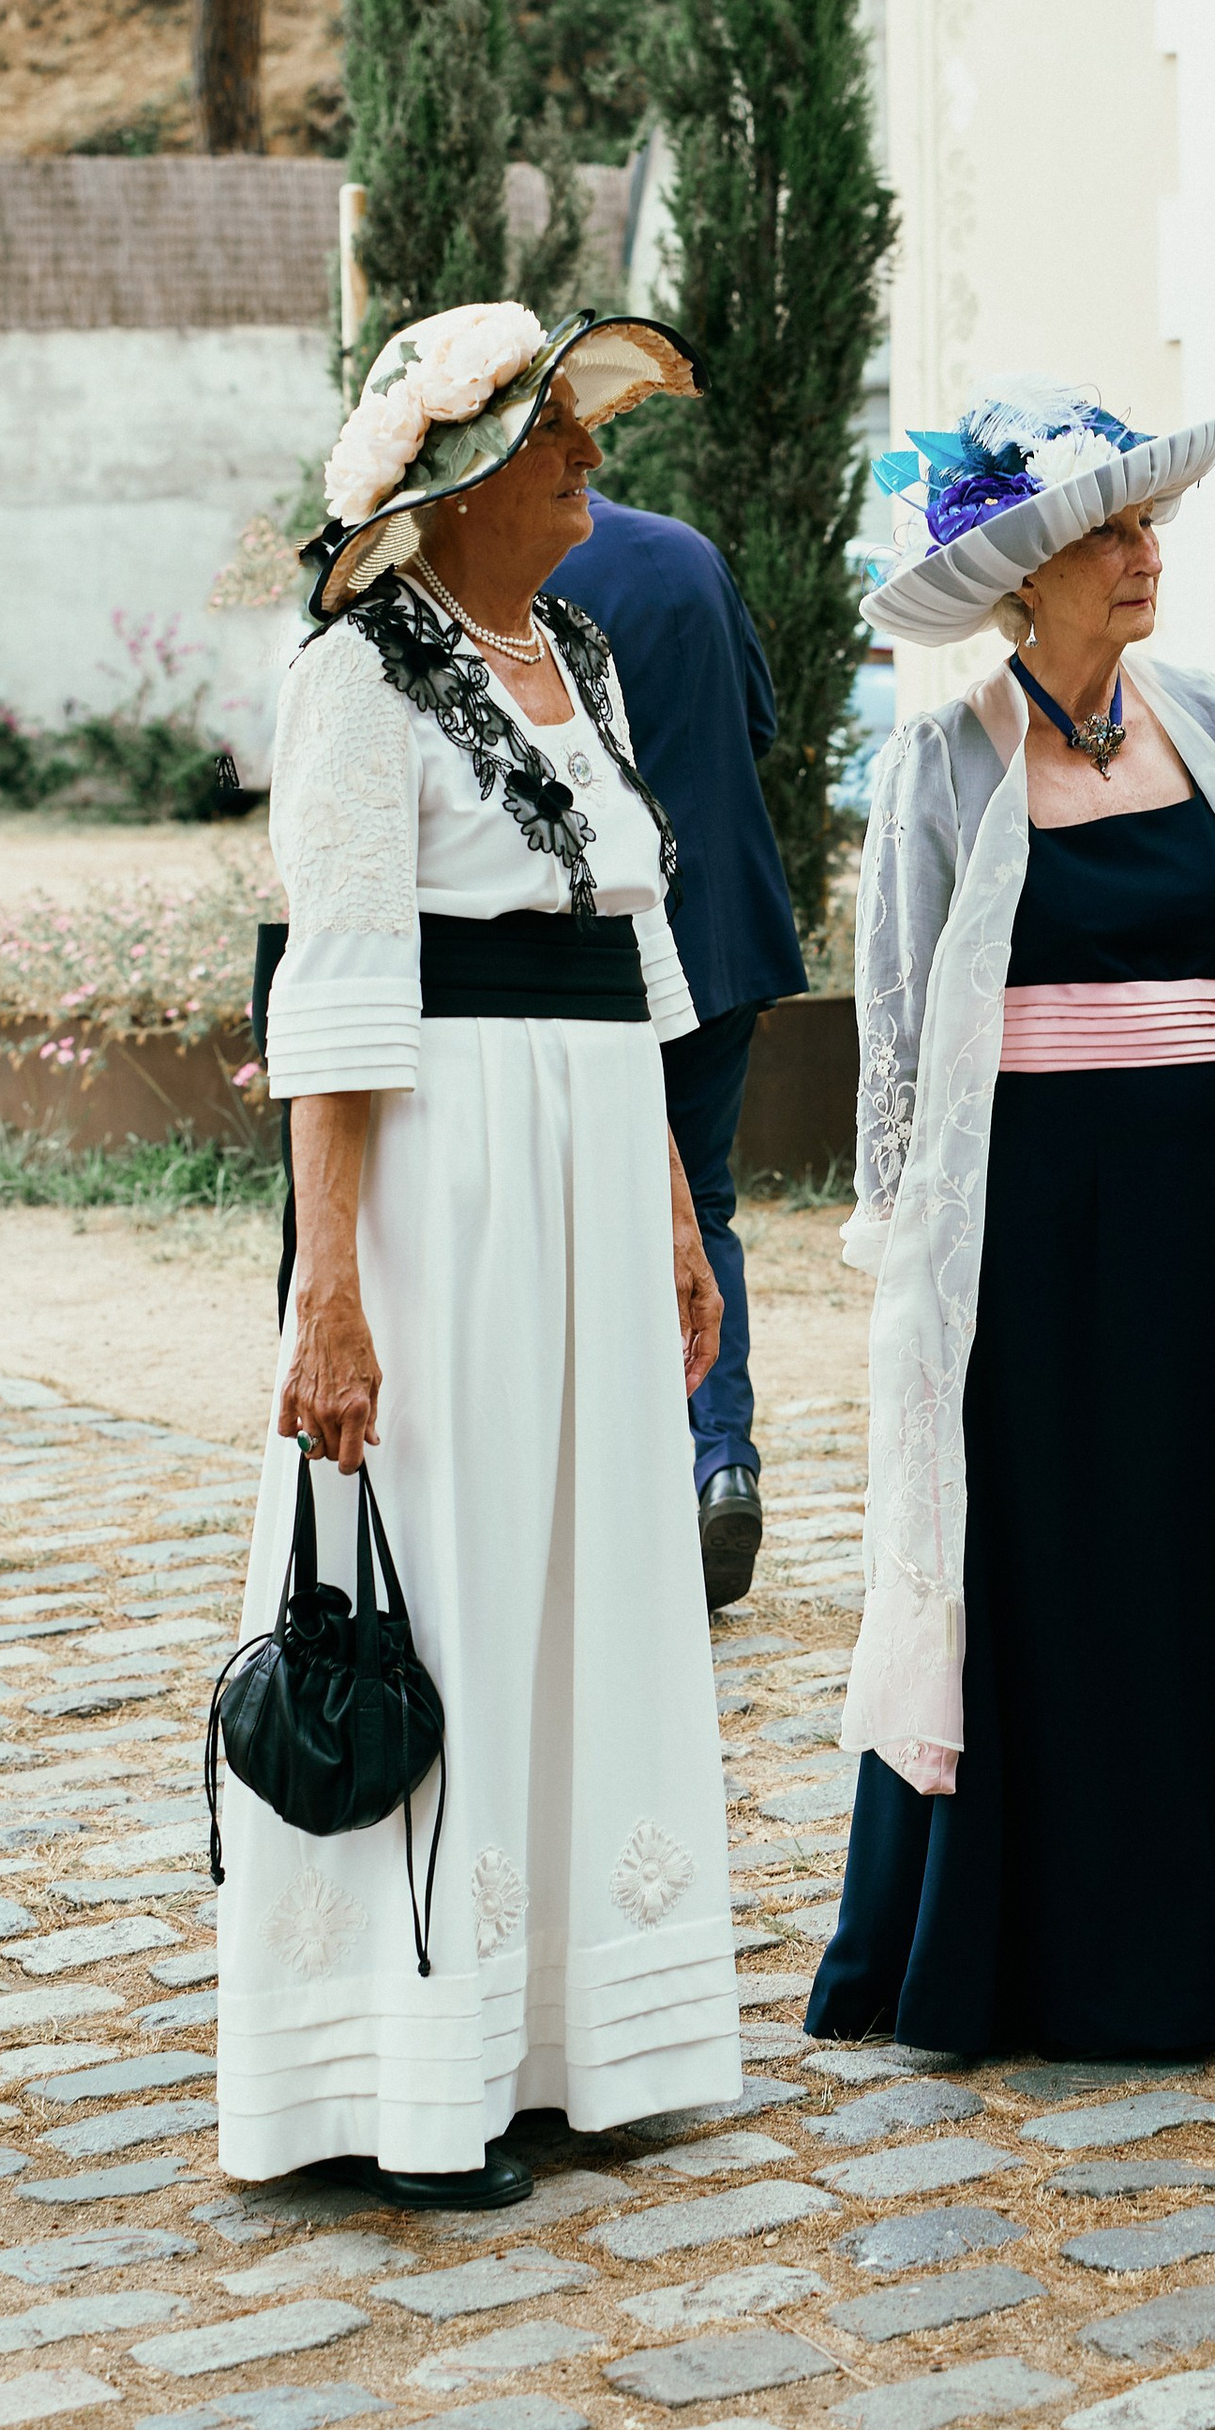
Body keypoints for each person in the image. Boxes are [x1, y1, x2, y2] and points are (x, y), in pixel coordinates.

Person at [806, 374, 1215, 2059]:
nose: (1146, 557)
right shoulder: (941, 760)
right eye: (1111, 535)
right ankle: (1080, 1943)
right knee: (1077, 1555)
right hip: (1049, 1225)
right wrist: (913, 1253)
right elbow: (910, 1025)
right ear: (1025, 574)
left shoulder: (1209, 716)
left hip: (1212, 1199)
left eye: (1150, 529)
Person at [218, 299, 742, 2208]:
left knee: (589, 1575)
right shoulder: (360, 678)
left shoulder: (581, 658)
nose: (592, 466)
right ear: (461, 484)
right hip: (447, 1195)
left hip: (597, 1178)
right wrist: (329, 1293)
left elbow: (640, 951)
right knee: (445, 1574)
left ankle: (574, 2038)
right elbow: (336, 997)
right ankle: (408, 2066)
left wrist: (681, 1222)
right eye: (558, 441)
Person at [547, 491, 806, 1609]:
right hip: (723, 931)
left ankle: (618, 1500)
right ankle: (721, 1463)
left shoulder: (502, 573)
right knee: (699, 1206)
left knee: (578, 1225)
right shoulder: (688, 552)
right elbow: (757, 724)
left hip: (590, 951)